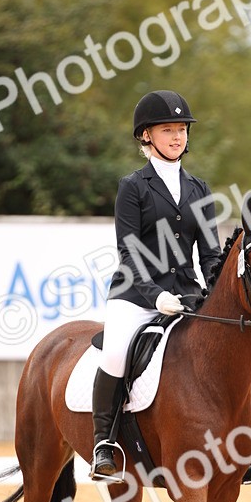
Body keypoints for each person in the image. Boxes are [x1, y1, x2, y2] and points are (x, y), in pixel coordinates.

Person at [90, 89, 222, 480]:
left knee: (247, 359)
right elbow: (129, 253)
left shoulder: (199, 189)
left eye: (182, 129)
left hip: (187, 295)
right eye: (168, 130)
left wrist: (215, 295)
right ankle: (104, 444)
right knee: (116, 352)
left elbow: (210, 255)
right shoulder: (133, 187)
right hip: (135, 295)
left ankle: (249, 445)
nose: (178, 136)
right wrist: (155, 294)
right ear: (146, 135)